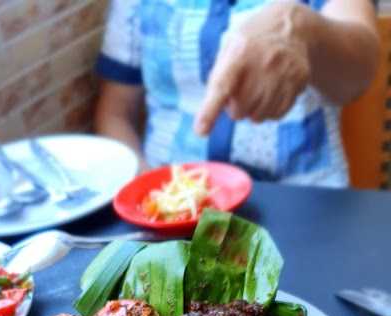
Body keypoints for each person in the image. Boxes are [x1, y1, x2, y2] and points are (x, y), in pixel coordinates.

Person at [94, 0, 380, 186]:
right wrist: (149, 189)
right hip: (171, 203)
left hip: (306, 205)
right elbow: (116, 113)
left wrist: (303, 28)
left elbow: (361, 72)